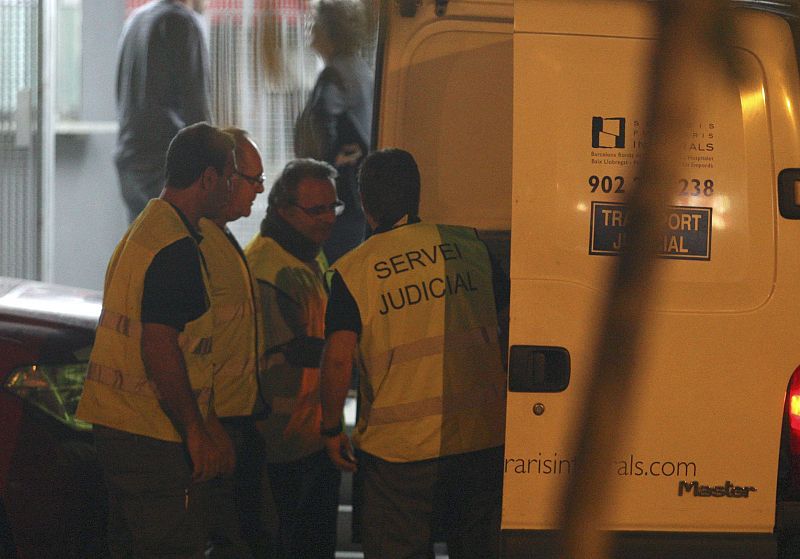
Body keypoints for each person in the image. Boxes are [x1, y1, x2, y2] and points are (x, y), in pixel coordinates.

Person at [319, 149, 509, 559]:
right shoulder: (471, 248)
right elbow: (509, 331)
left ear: (365, 203)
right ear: (416, 197)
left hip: (399, 454)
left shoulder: (355, 271)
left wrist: (331, 428)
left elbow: (337, 360)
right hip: (480, 440)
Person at [76, 122, 237, 558]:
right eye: (230, 177)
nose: (233, 188)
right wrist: (195, 432)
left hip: (121, 431)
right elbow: (160, 346)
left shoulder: (146, 229)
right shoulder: (175, 246)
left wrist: (210, 425)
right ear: (208, 179)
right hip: (153, 437)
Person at [244, 158, 343, 558]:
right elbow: (292, 352)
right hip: (277, 445)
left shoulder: (305, 254)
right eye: (315, 210)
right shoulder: (269, 269)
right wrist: (350, 353)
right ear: (283, 209)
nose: (327, 220)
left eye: (332, 208)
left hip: (310, 437)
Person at [198, 128, 270, 558]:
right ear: (224, 177)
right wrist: (207, 425)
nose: (260, 188)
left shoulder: (219, 238)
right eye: (253, 178)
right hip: (219, 424)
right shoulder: (199, 244)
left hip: (236, 421)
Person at [115, 0, 212, 222]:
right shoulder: (183, 22)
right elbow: (197, 112)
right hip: (166, 166)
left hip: (130, 160)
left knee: (144, 249)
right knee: (183, 246)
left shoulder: (136, 20)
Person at [294, 0, 373, 263]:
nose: (308, 27)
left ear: (330, 31)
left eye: (313, 22)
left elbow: (320, 140)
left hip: (335, 201)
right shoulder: (361, 69)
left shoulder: (334, 75)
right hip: (356, 198)